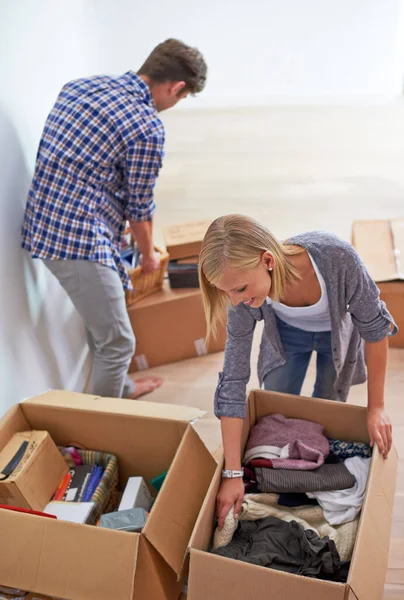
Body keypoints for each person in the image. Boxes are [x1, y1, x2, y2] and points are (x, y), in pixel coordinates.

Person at [21, 39, 207, 400]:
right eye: (181, 98)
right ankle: (105, 430)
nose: (174, 104)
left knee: (106, 324)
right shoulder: (146, 126)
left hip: (43, 222)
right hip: (75, 240)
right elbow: (140, 206)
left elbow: (78, 161)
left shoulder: (80, 86)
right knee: (119, 342)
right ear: (177, 87)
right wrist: (149, 256)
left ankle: (121, 387)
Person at [198, 214, 397, 528]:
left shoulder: (336, 258)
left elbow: (375, 329)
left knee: (329, 401)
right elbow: (234, 380)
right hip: (286, 335)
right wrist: (232, 473)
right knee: (276, 407)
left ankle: (315, 464)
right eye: (228, 293)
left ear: (267, 260)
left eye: (239, 289)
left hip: (336, 331)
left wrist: (376, 407)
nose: (235, 301)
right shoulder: (242, 297)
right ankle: (291, 473)